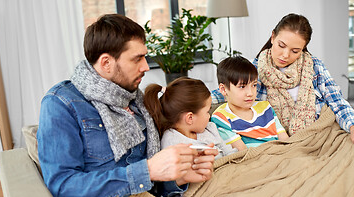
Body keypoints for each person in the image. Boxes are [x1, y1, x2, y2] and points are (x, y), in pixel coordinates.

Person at [37, 14, 217, 197]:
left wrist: (179, 178)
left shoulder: (136, 101)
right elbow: (63, 187)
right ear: (106, 63)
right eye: (137, 58)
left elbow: (153, 185)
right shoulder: (61, 104)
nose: (146, 66)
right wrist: (147, 171)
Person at [211, 13, 354, 143]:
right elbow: (228, 89)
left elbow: (337, 101)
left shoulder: (314, 66)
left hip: (320, 131)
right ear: (273, 37)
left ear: (303, 48)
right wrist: (194, 100)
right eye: (281, 45)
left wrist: (352, 125)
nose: (285, 55)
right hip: (281, 138)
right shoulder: (256, 69)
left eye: (295, 51)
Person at [143, 77, 237, 159]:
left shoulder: (210, 128)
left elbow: (229, 152)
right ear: (190, 118)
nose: (209, 116)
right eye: (207, 112)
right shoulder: (172, 142)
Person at [211, 56, 289, 151]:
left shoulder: (265, 107)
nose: (250, 93)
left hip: (281, 154)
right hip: (253, 159)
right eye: (242, 86)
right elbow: (242, 151)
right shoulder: (221, 117)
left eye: (254, 85)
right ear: (223, 89)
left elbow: (285, 141)